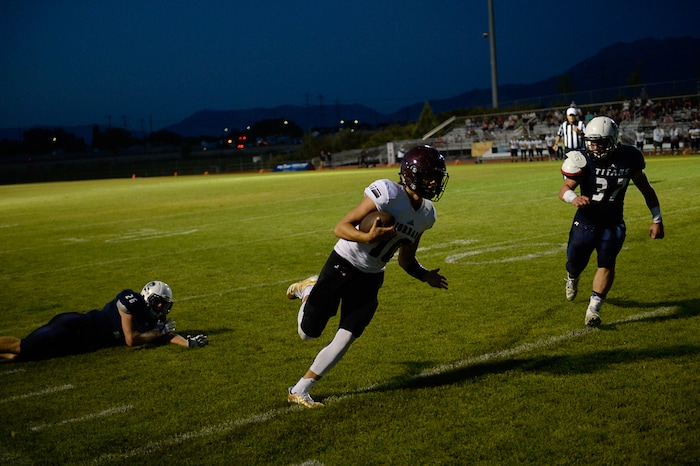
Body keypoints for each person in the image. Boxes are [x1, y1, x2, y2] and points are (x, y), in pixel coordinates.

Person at [285, 145, 449, 408]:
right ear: (411, 174)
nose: (434, 182)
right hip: (344, 264)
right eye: (429, 175)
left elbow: (406, 259)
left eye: (437, 176)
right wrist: (367, 237)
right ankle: (307, 290)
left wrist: (424, 275)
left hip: (372, 275)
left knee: (347, 336)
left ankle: (300, 389)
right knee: (308, 335)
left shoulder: (427, 215)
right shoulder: (387, 193)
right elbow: (341, 227)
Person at [558, 116, 664, 327]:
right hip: (586, 219)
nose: (594, 146)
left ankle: (593, 309)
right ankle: (572, 276)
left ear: (613, 140)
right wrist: (574, 198)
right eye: (591, 141)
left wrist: (657, 218)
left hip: (613, 222)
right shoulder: (582, 158)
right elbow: (564, 190)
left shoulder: (629, 157)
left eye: (600, 142)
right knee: (575, 261)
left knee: (606, 263)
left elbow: (646, 189)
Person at [0, 281, 208, 361]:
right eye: (158, 303)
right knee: (22, 346)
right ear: (147, 298)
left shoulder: (151, 322)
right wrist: (158, 333)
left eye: (164, 305)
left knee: (24, 357)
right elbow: (131, 339)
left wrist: (188, 343)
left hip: (83, 343)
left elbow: (166, 336)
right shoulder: (131, 301)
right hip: (74, 327)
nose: (161, 308)